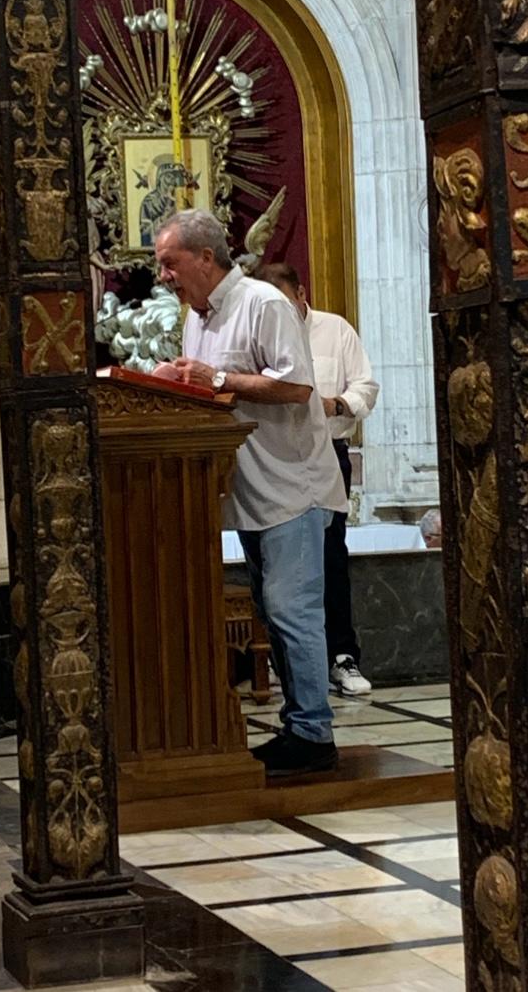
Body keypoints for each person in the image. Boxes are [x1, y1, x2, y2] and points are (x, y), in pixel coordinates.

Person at [153, 211, 348, 775]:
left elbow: (296, 386)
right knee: (272, 609)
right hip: (249, 489)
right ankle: (298, 724)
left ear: (206, 259)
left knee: (292, 609)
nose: (163, 276)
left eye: (171, 263)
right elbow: (213, 393)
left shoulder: (263, 303)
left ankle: (314, 733)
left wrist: (212, 380)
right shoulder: (199, 318)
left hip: (295, 487)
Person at [256, 262, 379, 696]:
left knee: (329, 556)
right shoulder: (259, 330)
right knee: (273, 564)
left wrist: (338, 405)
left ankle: (341, 657)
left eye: (285, 304)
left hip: (328, 452)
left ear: (302, 293)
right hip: (274, 459)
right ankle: (281, 660)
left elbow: (366, 386)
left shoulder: (334, 329)